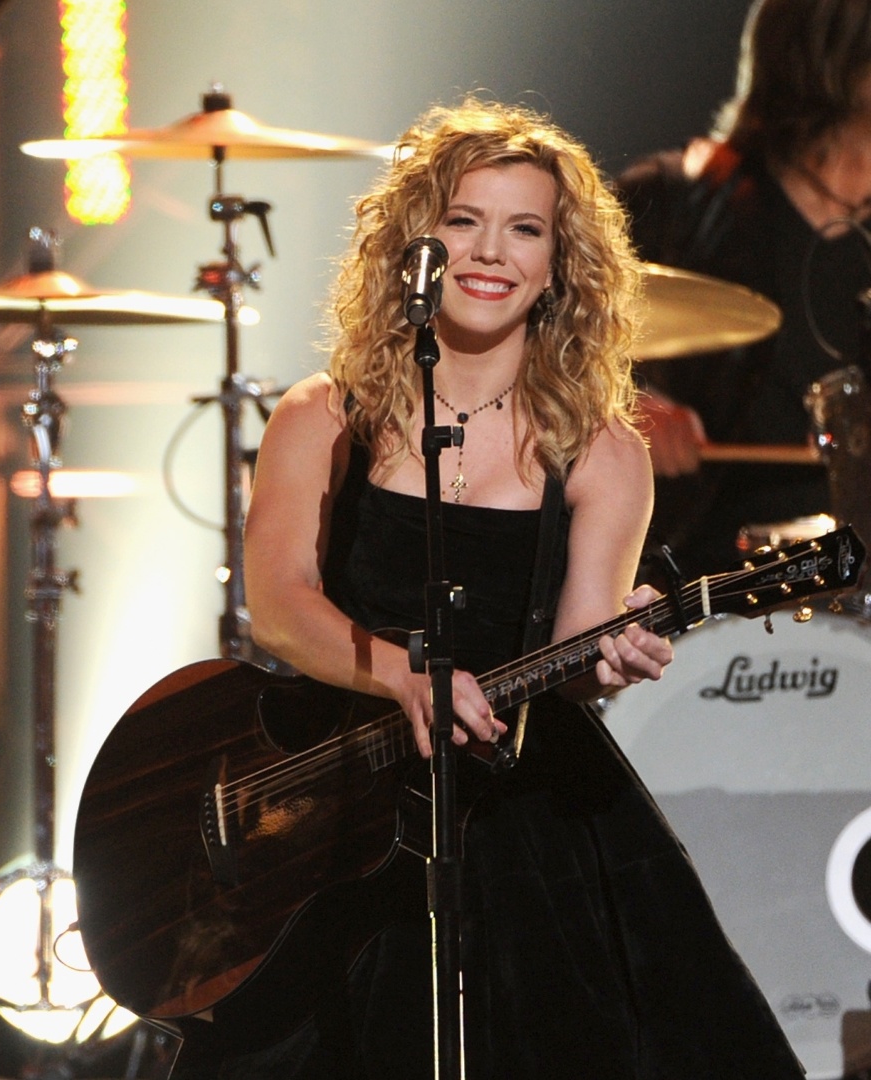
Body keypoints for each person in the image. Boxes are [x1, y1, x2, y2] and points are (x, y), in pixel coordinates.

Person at [204, 103, 804, 1079]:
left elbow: (579, 654)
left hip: (524, 805)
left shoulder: (608, 451)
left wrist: (612, 656)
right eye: (464, 221)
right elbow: (278, 603)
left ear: (561, 262)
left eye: (524, 229)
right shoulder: (325, 413)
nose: (492, 252)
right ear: (415, 245)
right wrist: (408, 678)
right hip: (333, 785)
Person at [620, 0, 871, 579]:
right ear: (833, 53)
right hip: (698, 588)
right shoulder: (673, 202)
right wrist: (620, 413)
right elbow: (534, 364)